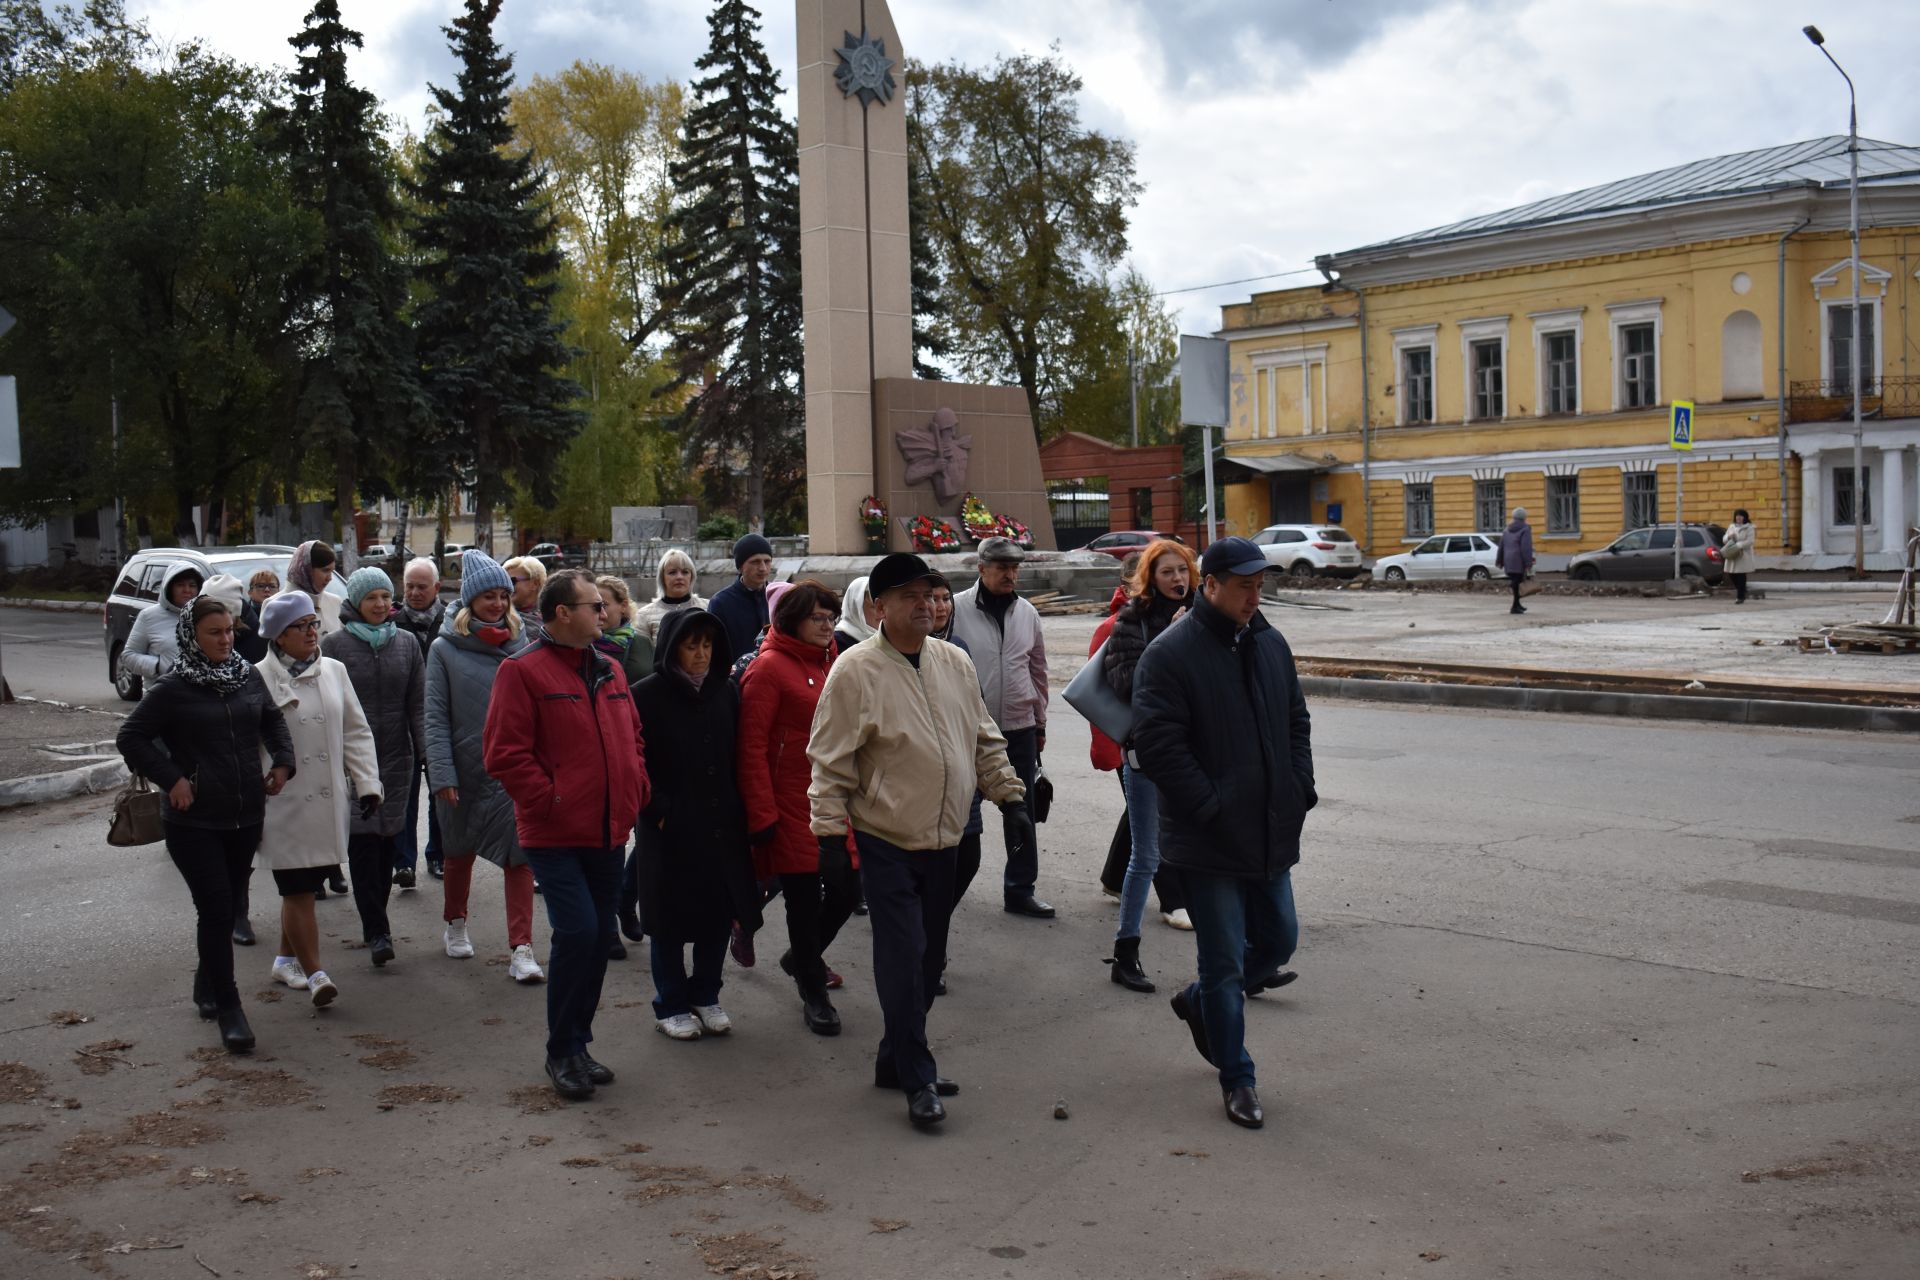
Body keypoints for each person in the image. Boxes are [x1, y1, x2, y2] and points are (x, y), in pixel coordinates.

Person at [808, 553, 1027, 1130]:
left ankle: (894, 1060)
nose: (925, 605)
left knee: (929, 961)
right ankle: (917, 1073)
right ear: (878, 607)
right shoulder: (853, 671)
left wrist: (1011, 798)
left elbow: (983, 738)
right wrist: (830, 836)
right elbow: (829, 764)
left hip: (946, 838)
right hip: (886, 837)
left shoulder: (953, 661)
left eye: (930, 595)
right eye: (910, 596)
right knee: (902, 957)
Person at [1131, 536, 1316, 1131]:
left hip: (1268, 828)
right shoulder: (1170, 653)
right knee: (1225, 966)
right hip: (1210, 840)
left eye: (1260, 585)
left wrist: (1299, 786)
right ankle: (1237, 1077)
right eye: (1243, 585)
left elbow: (1295, 720)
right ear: (1209, 584)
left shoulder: (1269, 641)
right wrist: (1209, 807)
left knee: (1279, 941)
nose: (1253, 595)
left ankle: (1198, 1002)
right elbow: (1159, 745)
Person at [484, 569, 649, 1102]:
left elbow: (634, 739)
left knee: (597, 939)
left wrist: (637, 785)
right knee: (578, 932)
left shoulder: (610, 670)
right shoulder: (522, 671)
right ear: (562, 613)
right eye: (594, 606)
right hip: (554, 833)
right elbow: (503, 753)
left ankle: (578, 1042)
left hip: (607, 829)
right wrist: (550, 797)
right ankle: (561, 1049)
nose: (604, 613)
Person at [115, 594, 295, 1054]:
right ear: (191, 637)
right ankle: (230, 1006)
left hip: (245, 813)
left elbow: (273, 723)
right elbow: (131, 736)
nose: (225, 639)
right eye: (214, 633)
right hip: (193, 822)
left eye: (229, 631)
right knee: (216, 909)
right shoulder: (173, 688)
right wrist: (172, 777)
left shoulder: (245, 674)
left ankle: (205, 982)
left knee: (230, 901)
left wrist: (283, 763)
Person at [632, 609, 760, 1040]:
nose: (701, 654)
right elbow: (636, 763)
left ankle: (706, 993)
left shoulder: (726, 691)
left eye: (707, 645)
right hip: (669, 828)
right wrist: (661, 810)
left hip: (721, 823)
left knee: (717, 915)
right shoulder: (645, 695)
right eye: (691, 646)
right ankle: (670, 1003)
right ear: (672, 649)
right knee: (668, 920)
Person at [255, 592, 383, 1009]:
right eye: (302, 627)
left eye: (315, 624)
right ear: (278, 636)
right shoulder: (256, 678)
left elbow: (356, 731)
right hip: (284, 803)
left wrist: (367, 783)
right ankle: (316, 974)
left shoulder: (334, 670)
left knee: (305, 886)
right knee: (298, 891)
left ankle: (284, 958)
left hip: (327, 802)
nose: (313, 633)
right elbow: (247, 743)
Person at [739, 581, 855, 1035]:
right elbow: (750, 748)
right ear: (792, 620)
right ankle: (814, 992)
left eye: (831, 617)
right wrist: (761, 814)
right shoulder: (768, 669)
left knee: (848, 889)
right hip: (788, 805)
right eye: (818, 619)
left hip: (834, 798)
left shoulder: (831, 661)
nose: (827, 626)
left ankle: (799, 958)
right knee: (804, 902)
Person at [426, 551, 541, 983]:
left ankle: (522, 949)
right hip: (463, 768)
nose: (497, 604)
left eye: (503, 596)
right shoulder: (442, 648)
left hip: (512, 770)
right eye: (488, 596)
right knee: (458, 853)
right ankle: (455, 922)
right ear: (470, 601)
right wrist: (442, 774)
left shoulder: (524, 641)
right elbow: (434, 715)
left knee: (520, 857)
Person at [1100, 538, 1200, 993]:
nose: (1177, 579)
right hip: (1147, 754)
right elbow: (1125, 685)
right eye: (1167, 573)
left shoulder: (1205, 613)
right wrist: (1169, 638)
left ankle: (1240, 955)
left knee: (1211, 850)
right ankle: (1126, 953)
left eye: (1183, 570)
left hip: (1198, 753)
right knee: (1146, 857)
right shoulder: (1133, 621)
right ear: (1150, 579)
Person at [322, 568, 425, 967]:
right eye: (372, 598)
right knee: (363, 842)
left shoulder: (408, 644)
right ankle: (378, 929)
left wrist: (425, 753)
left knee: (387, 842)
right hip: (352, 760)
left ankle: (376, 919)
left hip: (398, 758)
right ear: (356, 603)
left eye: (386, 596)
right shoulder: (335, 645)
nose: (381, 605)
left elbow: (417, 702)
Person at [949, 536, 1054, 919]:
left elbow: (1037, 669)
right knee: (961, 811)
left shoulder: (1026, 612)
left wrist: (1039, 719)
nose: (1010, 575)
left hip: (1019, 727)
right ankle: (948, 883)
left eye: (1014, 568)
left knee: (1021, 810)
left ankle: (1020, 889)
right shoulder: (956, 608)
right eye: (1002, 568)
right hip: (967, 729)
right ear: (981, 569)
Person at [393, 557, 447, 882]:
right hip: (403, 722)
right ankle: (404, 862)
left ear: (437, 589)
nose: (414, 592)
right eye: (409, 586)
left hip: (442, 720)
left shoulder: (451, 622)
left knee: (440, 791)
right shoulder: (393, 623)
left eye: (421, 586)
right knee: (406, 791)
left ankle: (437, 854)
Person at [120, 562, 204, 686]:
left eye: (192, 585)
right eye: (180, 585)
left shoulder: (205, 615)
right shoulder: (148, 616)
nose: (187, 590)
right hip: (161, 695)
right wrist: (158, 666)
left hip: (199, 696)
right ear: (169, 587)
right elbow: (128, 656)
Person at [708, 533, 776, 661]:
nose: (762, 568)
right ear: (740, 567)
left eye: (767, 561)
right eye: (755, 562)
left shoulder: (779, 597)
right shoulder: (721, 603)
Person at [634, 548, 705, 646]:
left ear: (692, 576)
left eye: (685, 572)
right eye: (672, 572)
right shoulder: (644, 616)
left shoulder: (708, 607)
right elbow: (643, 657)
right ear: (662, 577)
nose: (679, 577)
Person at [285, 540, 343, 637]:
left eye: (332, 571)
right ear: (307, 569)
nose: (330, 578)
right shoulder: (276, 604)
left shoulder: (335, 602)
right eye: (325, 570)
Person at [1496, 507, 1535, 615]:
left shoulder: (1507, 529)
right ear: (1524, 517)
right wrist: (1528, 563)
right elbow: (1525, 548)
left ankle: (1517, 605)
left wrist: (1499, 560)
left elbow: (1501, 546)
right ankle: (1514, 606)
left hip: (1508, 559)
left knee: (1516, 582)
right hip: (1518, 560)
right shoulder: (1525, 529)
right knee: (1517, 583)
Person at [503, 556, 549, 645]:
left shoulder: (554, 615)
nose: (506, 587)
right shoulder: (498, 618)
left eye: (512, 581)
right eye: (504, 581)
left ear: (535, 584)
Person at [834, 575, 878, 654]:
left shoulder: (884, 640)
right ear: (856, 608)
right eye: (873, 607)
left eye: (882, 607)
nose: (881, 613)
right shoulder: (837, 642)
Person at [1723, 509, 1756, 604]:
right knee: (1731, 574)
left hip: (1743, 555)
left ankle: (1740, 597)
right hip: (1732, 553)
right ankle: (1743, 590)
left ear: (1745, 517)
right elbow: (1724, 538)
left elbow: (1750, 541)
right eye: (1737, 515)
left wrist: (1739, 545)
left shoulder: (1749, 528)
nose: (1739, 517)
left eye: (1741, 516)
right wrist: (1729, 537)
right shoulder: (1731, 526)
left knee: (1741, 575)